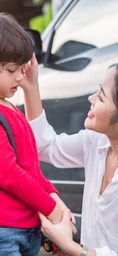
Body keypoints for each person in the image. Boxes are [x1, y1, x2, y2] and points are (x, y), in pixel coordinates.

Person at [0, 12, 68, 256]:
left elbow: (30, 167)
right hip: (0, 231)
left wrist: (53, 196)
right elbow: (10, 175)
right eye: (10, 70)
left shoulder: (7, 107)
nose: (19, 76)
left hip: (25, 226)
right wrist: (52, 208)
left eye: (21, 68)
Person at [21, 53, 118, 255]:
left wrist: (71, 246)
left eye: (100, 97)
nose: (90, 99)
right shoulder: (96, 141)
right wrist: (31, 85)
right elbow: (45, 146)